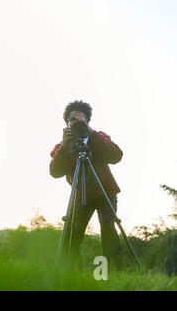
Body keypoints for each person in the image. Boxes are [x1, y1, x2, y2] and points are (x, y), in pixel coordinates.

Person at [49, 100, 123, 267]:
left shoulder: (98, 137)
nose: (76, 123)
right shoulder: (62, 146)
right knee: (72, 232)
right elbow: (55, 172)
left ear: (88, 122)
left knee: (108, 226)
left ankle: (114, 270)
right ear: (67, 124)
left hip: (105, 191)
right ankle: (72, 270)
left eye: (81, 120)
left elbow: (116, 156)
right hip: (81, 194)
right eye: (72, 120)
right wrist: (65, 146)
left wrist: (93, 134)